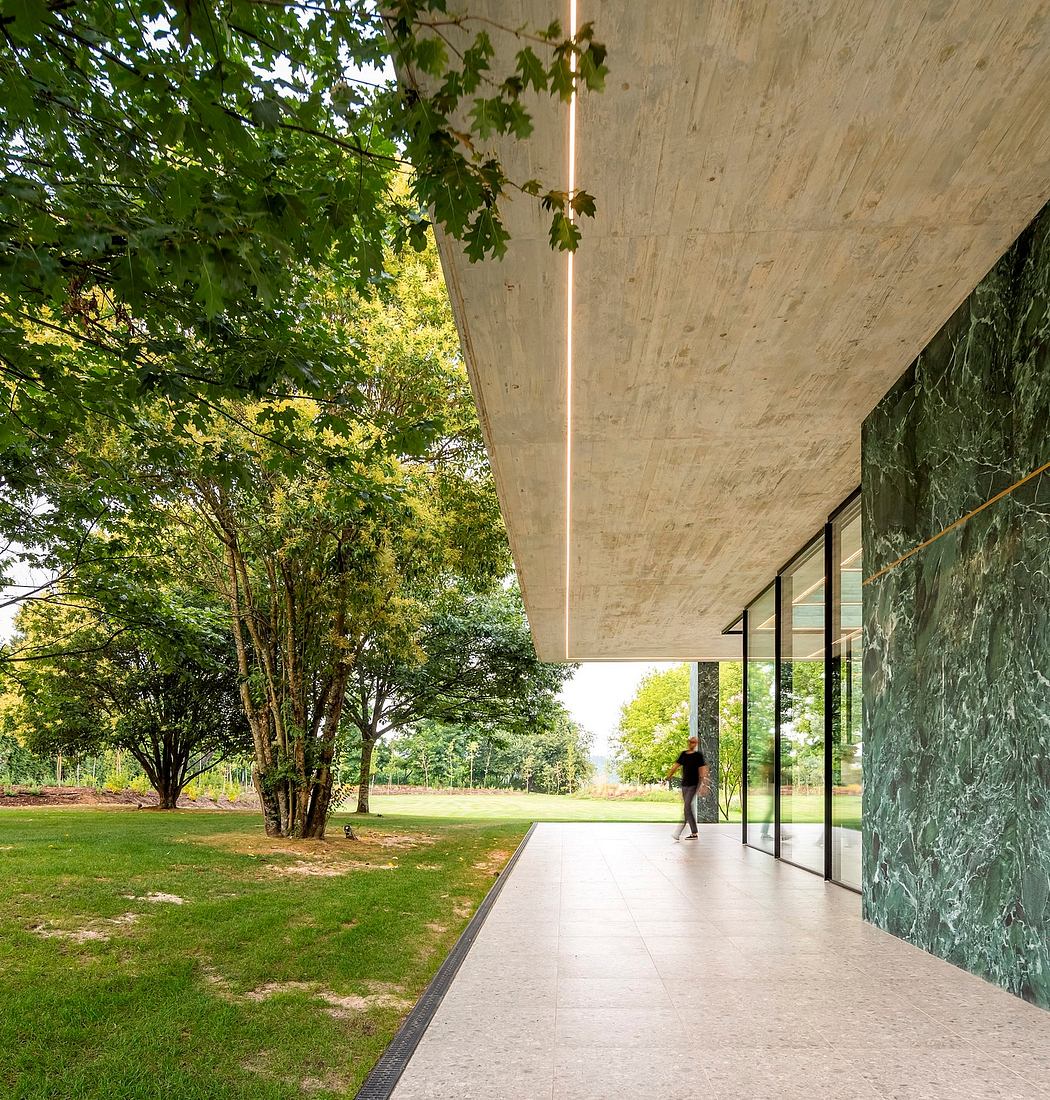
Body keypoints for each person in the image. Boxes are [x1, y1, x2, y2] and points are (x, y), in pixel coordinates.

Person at [666, 735, 710, 841]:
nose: (692, 744)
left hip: (694, 784)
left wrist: (704, 785)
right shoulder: (683, 754)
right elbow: (676, 766)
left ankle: (678, 832)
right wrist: (669, 775)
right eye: (690, 742)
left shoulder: (698, 755)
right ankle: (694, 833)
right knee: (688, 808)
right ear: (688, 742)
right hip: (685, 784)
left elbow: (703, 770)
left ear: (696, 744)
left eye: (694, 742)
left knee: (687, 806)